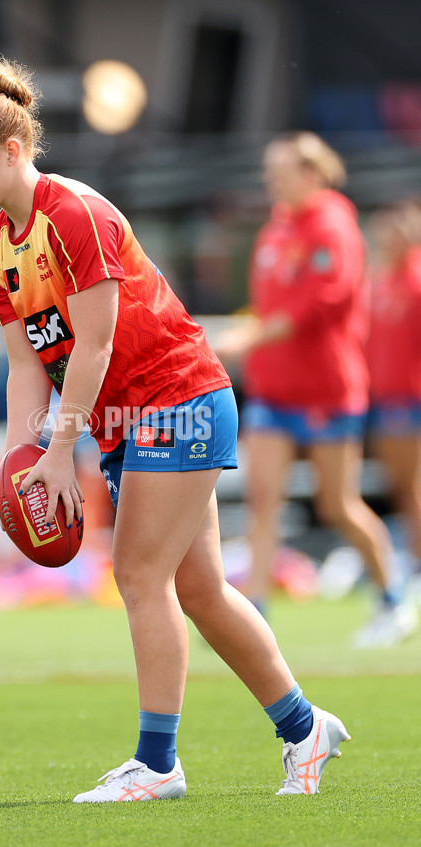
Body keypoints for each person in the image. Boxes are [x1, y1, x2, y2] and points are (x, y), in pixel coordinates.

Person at [0, 60, 350, 803]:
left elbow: (93, 346)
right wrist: (21, 461)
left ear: (11, 150)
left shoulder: (73, 214)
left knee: (137, 575)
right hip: (132, 416)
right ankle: (304, 726)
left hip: (179, 397)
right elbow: (26, 367)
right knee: (198, 589)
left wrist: (63, 450)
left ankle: (157, 763)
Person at [215, 132, 417, 647]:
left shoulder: (334, 227)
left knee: (338, 505)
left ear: (313, 173)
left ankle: (391, 596)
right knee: (264, 501)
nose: (272, 180)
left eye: (280, 170)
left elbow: (317, 306)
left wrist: (251, 337)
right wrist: (255, 340)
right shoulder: (276, 231)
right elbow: (269, 304)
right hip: (274, 392)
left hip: (328, 393)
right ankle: (255, 617)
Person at [367, 200, 421, 606]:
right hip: (385, 397)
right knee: (399, 488)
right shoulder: (381, 281)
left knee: (412, 487)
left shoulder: (415, 280)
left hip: (410, 397)